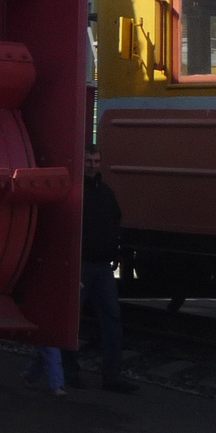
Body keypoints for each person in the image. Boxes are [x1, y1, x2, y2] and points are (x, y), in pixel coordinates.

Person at [66, 145, 138, 393]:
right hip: (85, 265)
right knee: (78, 320)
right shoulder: (90, 192)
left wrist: (116, 250)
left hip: (100, 265)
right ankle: (74, 372)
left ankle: (109, 375)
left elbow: (115, 222)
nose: (93, 165)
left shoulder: (104, 193)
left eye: (96, 161)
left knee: (107, 319)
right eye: (88, 160)